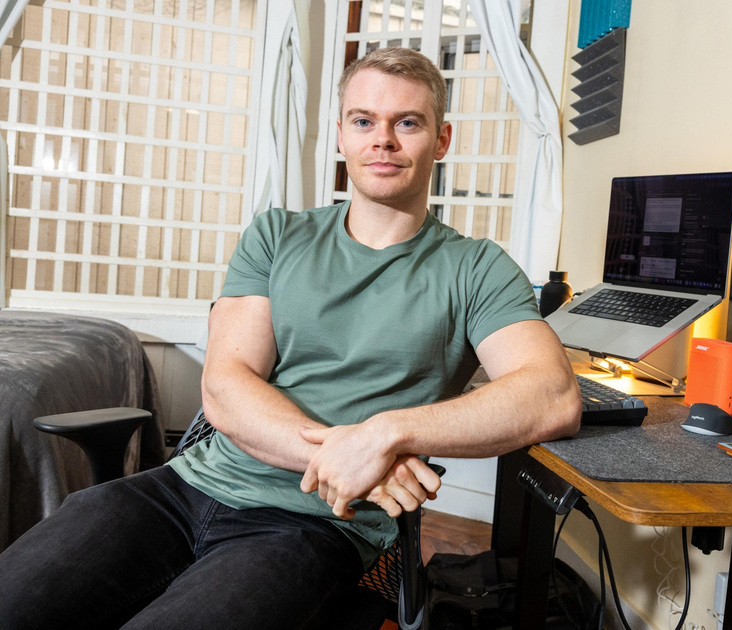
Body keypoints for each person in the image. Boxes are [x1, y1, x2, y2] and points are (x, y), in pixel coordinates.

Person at [0, 47, 582, 628]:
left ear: (442, 139)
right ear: (340, 135)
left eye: (407, 122)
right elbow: (226, 386)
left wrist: (388, 432)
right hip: (185, 487)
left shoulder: (476, 267)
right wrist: (359, 460)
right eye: (363, 121)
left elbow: (551, 395)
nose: (382, 139)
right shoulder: (277, 235)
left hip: (317, 524)